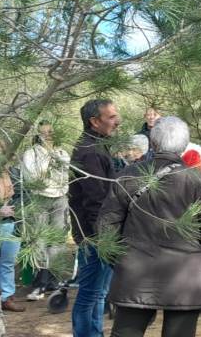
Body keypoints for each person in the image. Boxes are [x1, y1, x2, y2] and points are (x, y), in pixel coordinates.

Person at [99, 116, 201, 337]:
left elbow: (106, 227)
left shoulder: (127, 177)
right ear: (184, 144)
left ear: (154, 142)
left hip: (135, 272)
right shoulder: (200, 181)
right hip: (187, 276)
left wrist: (122, 261)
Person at [69, 98, 120, 337]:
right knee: (89, 295)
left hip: (102, 234)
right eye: (110, 117)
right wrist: (104, 240)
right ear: (94, 121)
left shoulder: (98, 145)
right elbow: (95, 201)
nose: (116, 121)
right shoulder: (89, 151)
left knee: (99, 293)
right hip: (95, 236)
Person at [21, 121, 71, 301]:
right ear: (39, 134)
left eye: (51, 132)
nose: (49, 135)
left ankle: (51, 279)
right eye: (45, 132)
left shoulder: (62, 152)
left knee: (58, 240)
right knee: (40, 240)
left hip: (60, 197)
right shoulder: (31, 153)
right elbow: (33, 178)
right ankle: (40, 281)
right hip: (40, 199)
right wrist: (50, 167)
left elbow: (66, 174)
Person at [0, 139, 26, 312]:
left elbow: (25, 196)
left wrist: (16, 210)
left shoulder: (15, 173)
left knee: (7, 263)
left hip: (12, 224)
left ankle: (7, 297)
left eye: (0, 152)